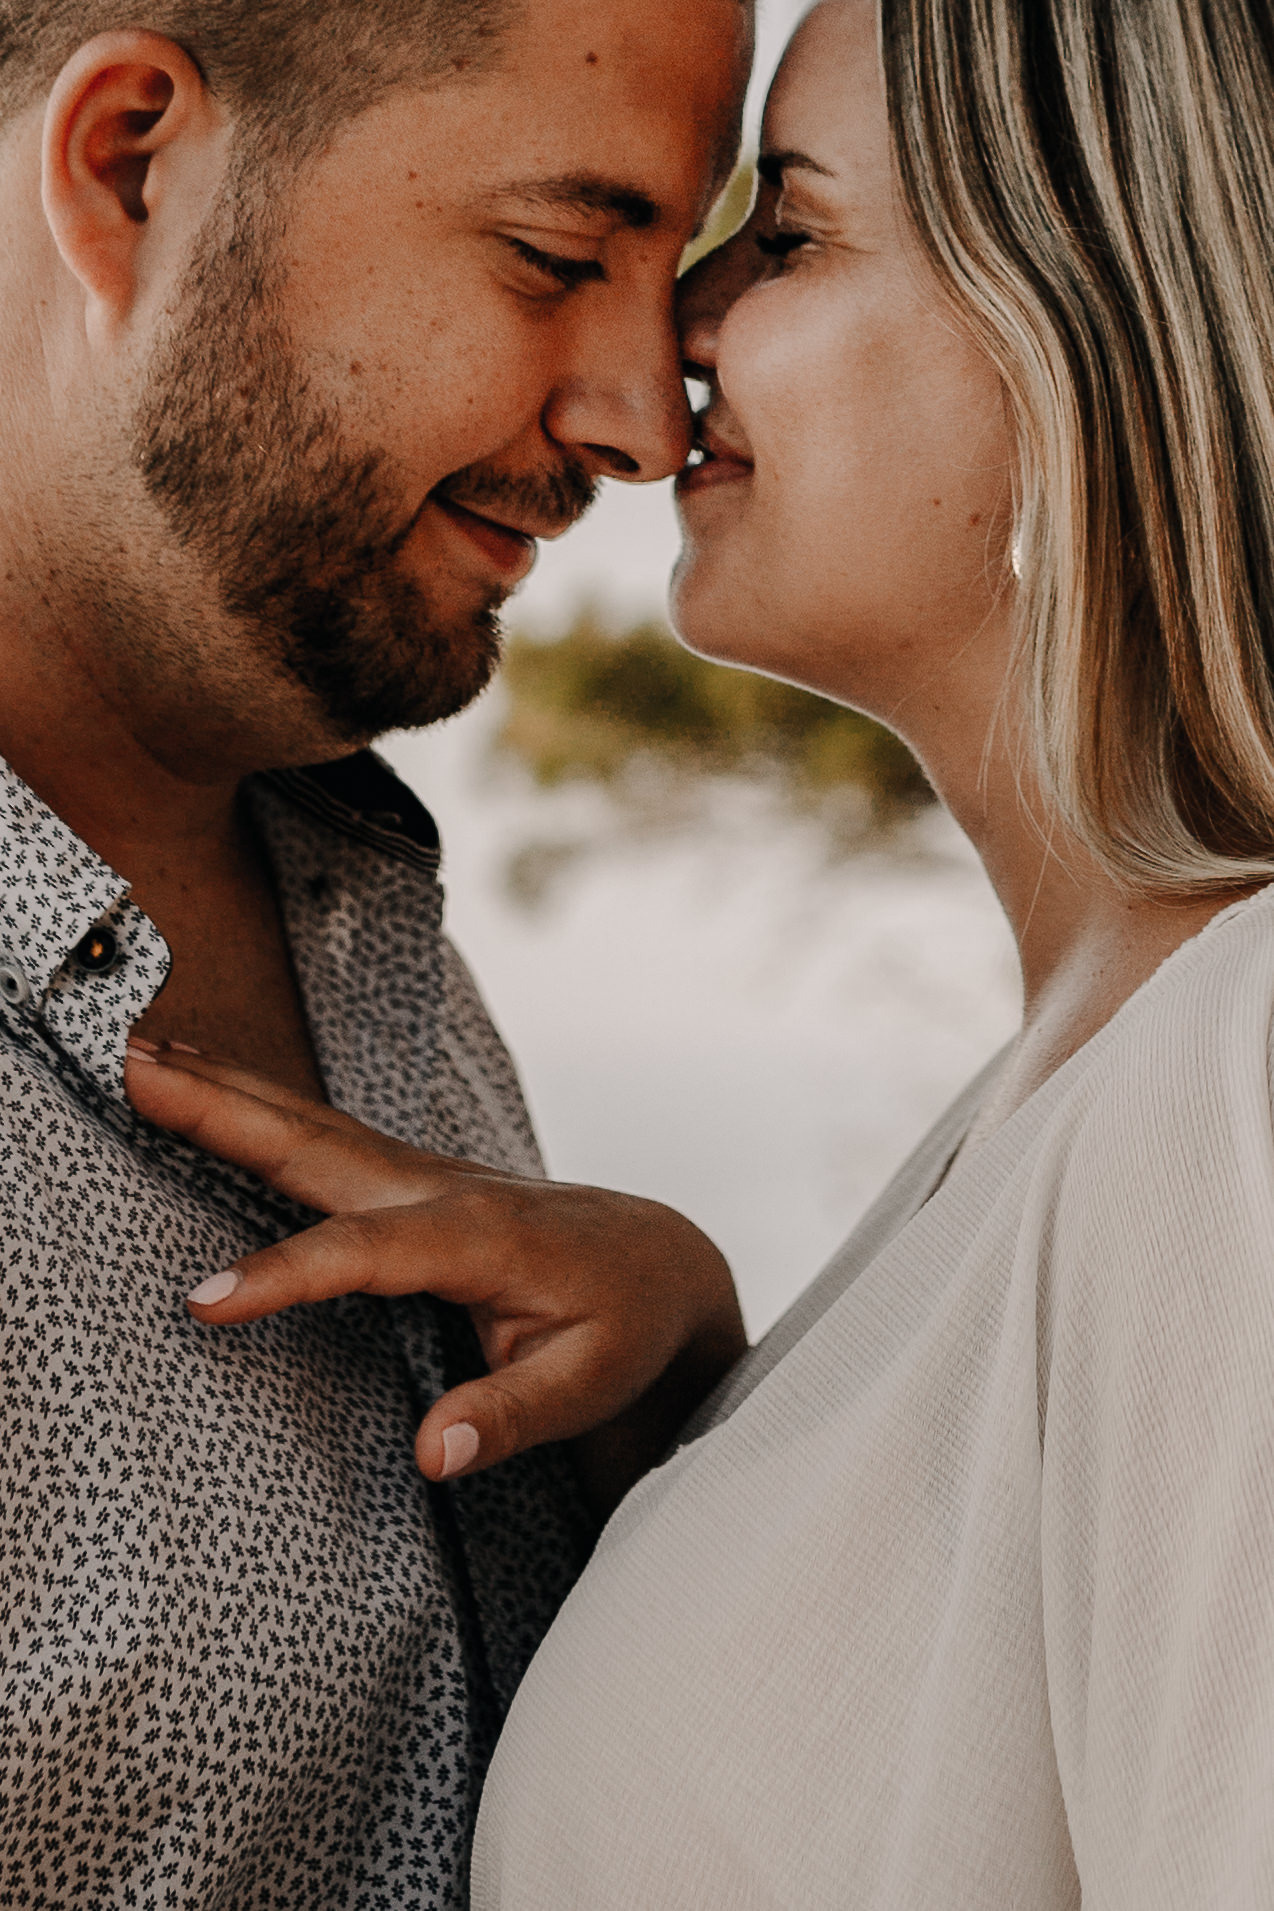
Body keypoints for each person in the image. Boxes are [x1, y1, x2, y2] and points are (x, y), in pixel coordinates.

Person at [128, 0, 1274, 1899]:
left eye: (793, 232)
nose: (664, 357)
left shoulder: (1241, 1075)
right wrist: (713, 1430)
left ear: (1092, 336)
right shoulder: (1051, 1117)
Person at [0, 1, 755, 1905]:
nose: (642, 422)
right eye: (558, 259)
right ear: (130, 167)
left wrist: (690, 1411)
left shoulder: (353, 891)